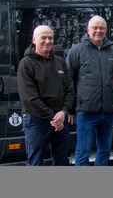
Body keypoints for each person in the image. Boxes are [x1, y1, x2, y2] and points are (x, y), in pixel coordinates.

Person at [66, 15, 113, 166]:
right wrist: (71, 109)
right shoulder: (76, 51)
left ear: (106, 30)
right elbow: (68, 82)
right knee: (83, 152)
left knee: (104, 151)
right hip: (86, 112)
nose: (99, 31)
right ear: (88, 30)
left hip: (108, 113)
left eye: (102, 28)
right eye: (95, 28)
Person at [17, 25, 75, 166]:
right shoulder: (26, 64)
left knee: (62, 160)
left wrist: (63, 112)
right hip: (37, 121)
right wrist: (53, 117)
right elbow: (29, 98)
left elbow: (69, 89)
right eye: (44, 38)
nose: (48, 41)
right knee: (35, 161)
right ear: (34, 40)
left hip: (60, 119)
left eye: (50, 38)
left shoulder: (59, 61)